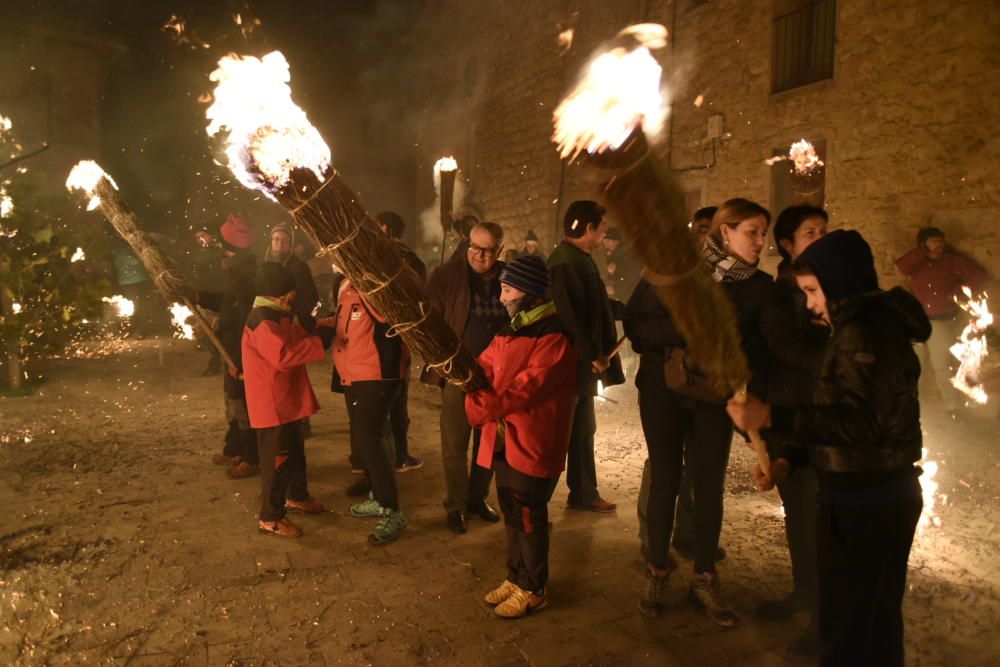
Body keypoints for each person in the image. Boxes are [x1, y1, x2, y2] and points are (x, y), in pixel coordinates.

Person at [728, 229, 930, 667]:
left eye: (814, 291)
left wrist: (771, 418)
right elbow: (835, 409)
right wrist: (787, 458)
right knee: (858, 622)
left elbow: (859, 424)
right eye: (804, 293)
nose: (811, 304)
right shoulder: (852, 330)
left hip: (871, 501)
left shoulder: (866, 333)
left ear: (840, 282)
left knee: (854, 632)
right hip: (857, 493)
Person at [626, 198, 772, 626]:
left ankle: (705, 576)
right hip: (662, 390)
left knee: (708, 485)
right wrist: (692, 327)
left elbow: (761, 350)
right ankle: (657, 569)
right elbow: (637, 326)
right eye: (752, 232)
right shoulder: (672, 269)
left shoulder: (758, 287)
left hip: (717, 398)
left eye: (764, 233)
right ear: (724, 232)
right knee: (665, 479)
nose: (761, 242)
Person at [467, 255, 577, 618]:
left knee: (529, 513)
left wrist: (483, 402)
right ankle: (515, 577)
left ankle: (534, 587)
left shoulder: (553, 336)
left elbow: (526, 389)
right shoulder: (510, 329)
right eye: (502, 288)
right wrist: (465, 375)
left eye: (508, 289)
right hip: (502, 437)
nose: (502, 297)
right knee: (511, 510)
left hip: (532, 439)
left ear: (530, 293)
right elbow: (485, 362)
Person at [755, 204, 831, 655]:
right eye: (810, 232)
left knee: (822, 518)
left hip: (825, 415)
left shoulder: (834, 284)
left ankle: (825, 620)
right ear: (788, 244)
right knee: (800, 514)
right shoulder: (780, 292)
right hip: (790, 411)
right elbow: (782, 346)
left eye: (825, 230)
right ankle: (806, 593)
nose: (820, 237)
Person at [635, 205, 722, 561]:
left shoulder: (732, 279)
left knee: (702, 475)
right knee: (663, 471)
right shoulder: (664, 272)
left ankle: (691, 537)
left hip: (708, 393)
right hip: (663, 388)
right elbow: (637, 326)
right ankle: (653, 542)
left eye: (716, 231)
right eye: (703, 229)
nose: (708, 238)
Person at [423, 222, 506, 533]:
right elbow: (428, 320)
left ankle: (477, 498)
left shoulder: (508, 276)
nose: (479, 255)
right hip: (458, 373)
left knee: (489, 443)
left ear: (499, 250)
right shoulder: (447, 276)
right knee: (454, 443)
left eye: (487, 250)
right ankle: (456, 504)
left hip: (497, 378)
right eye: (474, 246)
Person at [242, 263, 331, 537]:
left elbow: (293, 335)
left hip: (287, 400)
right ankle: (271, 516)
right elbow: (283, 355)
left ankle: (297, 495)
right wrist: (321, 342)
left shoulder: (276, 314)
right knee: (277, 461)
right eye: (292, 292)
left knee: (295, 453)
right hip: (273, 406)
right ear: (283, 293)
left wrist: (314, 327)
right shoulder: (262, 320)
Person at [547, 200, 624, 513]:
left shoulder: (580, 259)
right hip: (571, 364)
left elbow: (596, 305)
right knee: (560, 432)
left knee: (582, 428)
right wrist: (590, 353)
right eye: (602, 228)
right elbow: (568, 314)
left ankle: (583, 491)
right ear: (589, 228)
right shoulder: (564, 261)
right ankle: (533, 501)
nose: (604, 235)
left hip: (583, 364)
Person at [332, 274, 409, 546]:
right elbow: (344, 324)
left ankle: (392, 510)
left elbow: (388, 315)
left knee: (369, 439)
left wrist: (367, 284)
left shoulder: (375, 282)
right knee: (366, 439)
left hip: (378, 374)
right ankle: (379, 498)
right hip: (353, 374)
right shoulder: (345, 284)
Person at [895, 227, 988, 419]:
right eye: (934, 241)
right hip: (915, 321)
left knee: (942, 366)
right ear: (923, 244)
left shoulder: (953, 261)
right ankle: (910, 406)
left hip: (940, 321)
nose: (939, 245)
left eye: (941, 241)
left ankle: (952, 407)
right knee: (913, 364)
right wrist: (923, 253)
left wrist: (958, 292)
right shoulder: (918, 262)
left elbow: (979, 277)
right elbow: (902, 266)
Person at [193, 214, 259, 479]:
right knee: (233, 403)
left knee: (242, 405)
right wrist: (200, 297)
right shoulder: (236, 272)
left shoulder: (245, 276)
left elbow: (244, 317)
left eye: (221, 245)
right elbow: (227, 302)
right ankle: (234, 448)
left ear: (229, 248)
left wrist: (241, 362)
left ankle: (251, 457)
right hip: (231, 347)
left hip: (240, 351)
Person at [375, 211, 426, 472]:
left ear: (385, 229)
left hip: (392, 340)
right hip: (386, 340)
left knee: (392, 400)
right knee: (389, 401)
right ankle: (392, 456)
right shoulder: (371, 257)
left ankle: (394, 455)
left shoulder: (401, 261)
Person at [266, 222, 320, 331]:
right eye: (276, 239)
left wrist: (295, 314)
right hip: (268, 325)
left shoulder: (300, 268)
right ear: (270, 241)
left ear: (291, 244)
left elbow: (311, 297)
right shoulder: (264, 267)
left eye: (285, 240)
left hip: (292, 326)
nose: (280, 244)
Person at [188, 228, 223, 376]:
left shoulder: (222, 249)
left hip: (222, 294)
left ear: (210, 235)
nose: (201, 239)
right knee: (208, 332)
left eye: (203, 235)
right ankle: (215, 360)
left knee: (223, 329)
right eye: (197, 238)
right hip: (206, 296)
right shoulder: (196, 254)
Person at [597, 227, 640, 301]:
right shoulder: (612, 258)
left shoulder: (629, 256)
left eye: (607, 241)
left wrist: (610, 289)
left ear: (616, 242)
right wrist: (611, 274)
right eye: (604, 242)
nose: (605, 245)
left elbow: (631, 281)